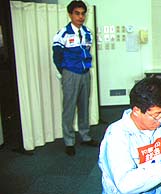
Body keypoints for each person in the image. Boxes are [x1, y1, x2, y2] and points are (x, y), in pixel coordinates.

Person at [52, 0, 98, 156]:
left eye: (83, 13)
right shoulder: (62, 34)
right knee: (69, 108)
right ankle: (69, 141)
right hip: (70, 74)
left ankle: (85, 135)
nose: (81, 16)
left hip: (85, 73)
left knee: (84, 105)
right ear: (70, 14)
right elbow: (57, 56)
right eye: (77, 13)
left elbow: (86, 52)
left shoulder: (87, 33)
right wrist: (64, 72)